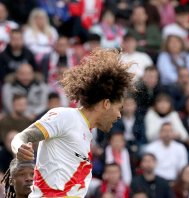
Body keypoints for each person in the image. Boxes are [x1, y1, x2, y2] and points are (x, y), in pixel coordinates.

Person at [10, 48, 135, 197]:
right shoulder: (65, 116)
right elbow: (21, 137)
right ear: (106, 104)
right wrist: (20, 148)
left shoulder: (86, 133)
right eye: (118, 108)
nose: (119, 115)